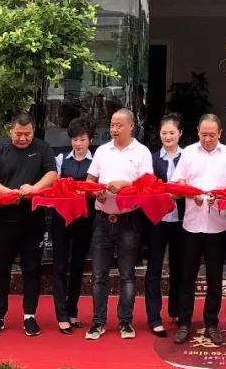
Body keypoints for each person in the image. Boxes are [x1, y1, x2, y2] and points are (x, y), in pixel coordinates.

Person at [0, 113, 58, 337]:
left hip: (33, 218)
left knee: (32, 269)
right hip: (4, 218)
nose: (23, 138)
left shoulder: (43, 148)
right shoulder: (0, 149)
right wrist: (8, 193)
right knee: (1, 269)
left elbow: (52, 174)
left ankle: (30, 315)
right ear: (11, 131)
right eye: (18, 134)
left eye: (27, 134)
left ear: (33, 131)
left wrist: (34, 188)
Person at [84, 108, 153, 341]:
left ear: (131, 126)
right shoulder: (102, 151)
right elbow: (90, 180)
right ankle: (98, 321)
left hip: (129, 219)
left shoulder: (142, 152)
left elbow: (148, 185)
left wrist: (125, 184)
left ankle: (125, 321)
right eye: (112, 125)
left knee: (127, 275)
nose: (114, 129)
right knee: (99, 274)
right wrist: (95, 192)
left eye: (119, 125)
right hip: (103, 219)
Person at [173, 114, 226, 345]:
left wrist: (219, 197)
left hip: (217, 226)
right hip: (191, 224)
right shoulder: (188, 153)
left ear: (220, 133)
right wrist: (190, 193)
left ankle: (211, 323)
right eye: (204, 134)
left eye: (212, 135)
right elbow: (177, 183)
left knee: (214, 277)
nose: (208, 139)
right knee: (187, 276)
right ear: (197, 132)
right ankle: (184, 322)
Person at [51, 117, 95, 334]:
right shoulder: (61, 160)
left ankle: (72, 310)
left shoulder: (96, 162)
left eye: (82, 139)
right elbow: (54, 185)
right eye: (75, 139)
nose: (78, 143)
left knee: (78, 264)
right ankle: (61, 315)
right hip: (61, 218)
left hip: (84, 218)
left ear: (90, 140)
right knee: (60, 264)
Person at [145, 112, 185, 337]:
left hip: (181, 219)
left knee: (179, 266)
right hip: (157, 219)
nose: (168, 137)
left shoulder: (187, 157)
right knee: (154, 268)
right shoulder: (152, 159)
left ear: (180, 133)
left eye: (172, 132)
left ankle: (176, 310)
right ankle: (154, 317)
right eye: (164, 133)